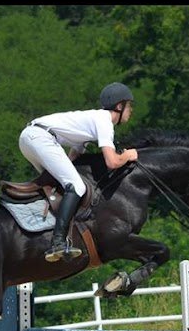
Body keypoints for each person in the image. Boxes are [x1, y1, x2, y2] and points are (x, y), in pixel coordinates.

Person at [19, 82, 139, 262]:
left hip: (29, 138)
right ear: (119, 106)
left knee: (59, 185)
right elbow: (112, 162)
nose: (131, 110)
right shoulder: (105, 121)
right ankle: (58, 242)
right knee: (76, 186)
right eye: (129, 106)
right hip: (41, 138)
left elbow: (74, 155)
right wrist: (129, 155)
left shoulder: (92, 120)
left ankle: (39, 228)